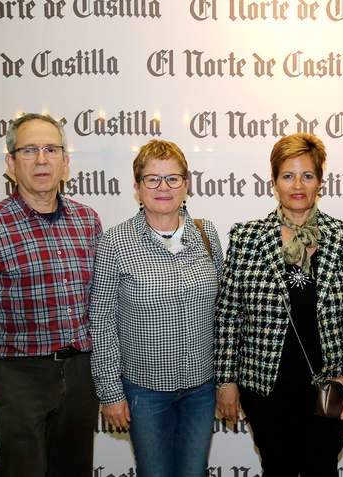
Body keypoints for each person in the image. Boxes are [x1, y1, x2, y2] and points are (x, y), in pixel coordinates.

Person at [0, 113, 102, 476]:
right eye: (29, 150)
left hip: (80, 375)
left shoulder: (87, 221)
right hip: (19, 379)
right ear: (11, 164)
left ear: (66, 162)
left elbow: (101, 307)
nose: (42, 159)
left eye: (51, 149)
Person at [214, 133, 343, 477]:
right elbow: (229, 315)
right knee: (278, 468)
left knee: (322, 468)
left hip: (330, 388)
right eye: (288, 176)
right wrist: (225, 381)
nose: (298, 185)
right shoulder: (247, 238)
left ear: (321, 181)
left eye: (307, 175)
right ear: (273, 181)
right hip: (266, 387)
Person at [89, 139, 223, 477]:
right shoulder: (115, 242)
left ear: (186, 185)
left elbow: (224, 311)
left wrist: (226, 380)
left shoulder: (207, 234)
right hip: (143, 393)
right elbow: (101, 320)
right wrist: (110, 392)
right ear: (137, 187)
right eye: (152, 179)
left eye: (173, 178)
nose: (163, 187)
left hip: (201, 389)